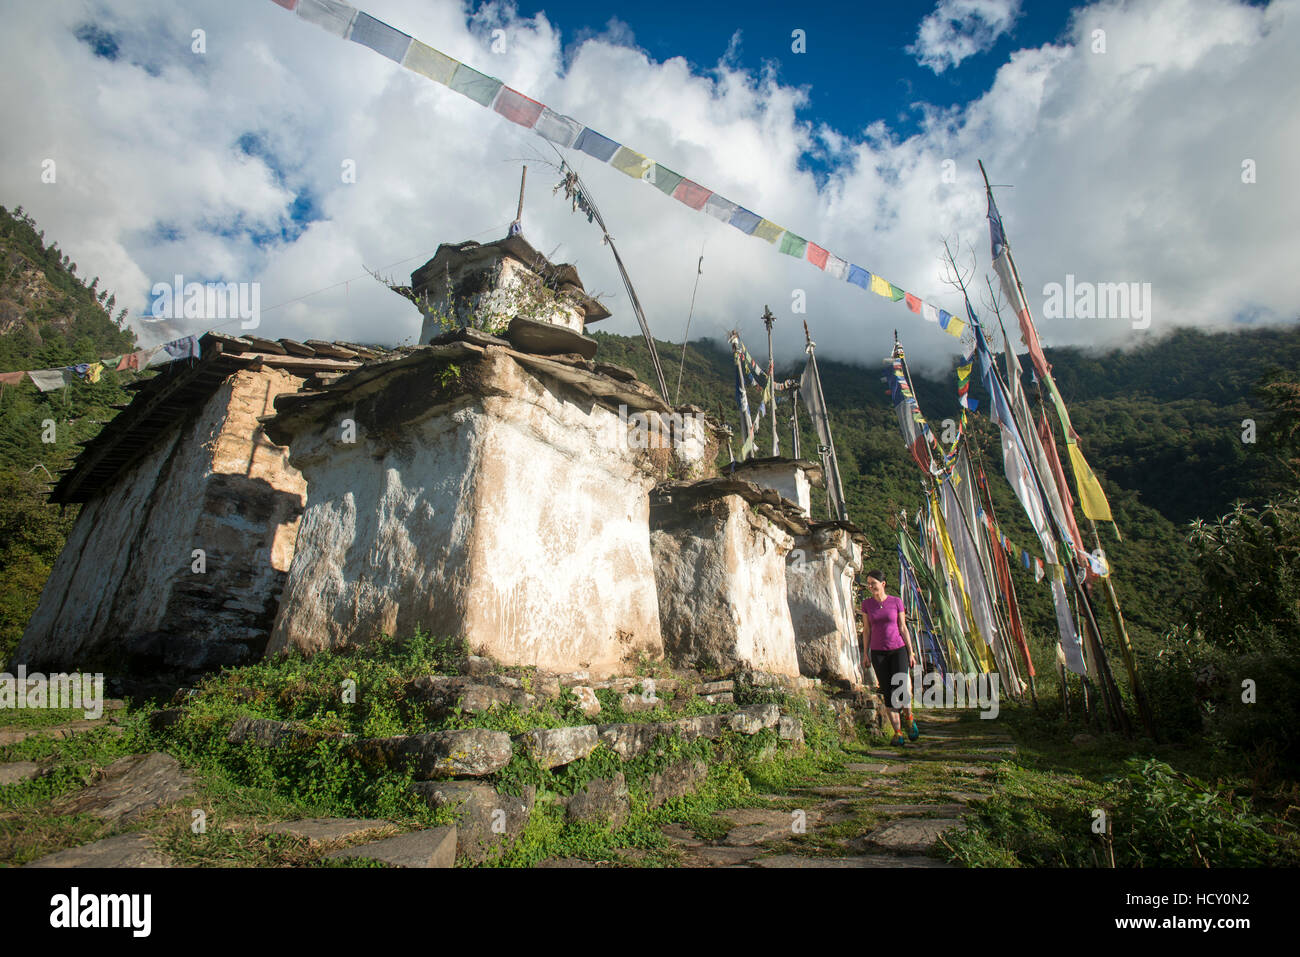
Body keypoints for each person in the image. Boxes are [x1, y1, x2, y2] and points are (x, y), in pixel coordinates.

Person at [859, 569, 920, 746]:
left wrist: (911, 652)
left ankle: (908, 716)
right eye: (868, 584)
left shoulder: (896, 602)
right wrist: (866, 653)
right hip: (878, 652)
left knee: (901, 686)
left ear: (883, 584)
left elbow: (902, 627)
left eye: (873, 584)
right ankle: (898, 732)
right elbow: (867, 630)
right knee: (888, 692)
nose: (870, 587)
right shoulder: (867, 605)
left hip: (898, 649)